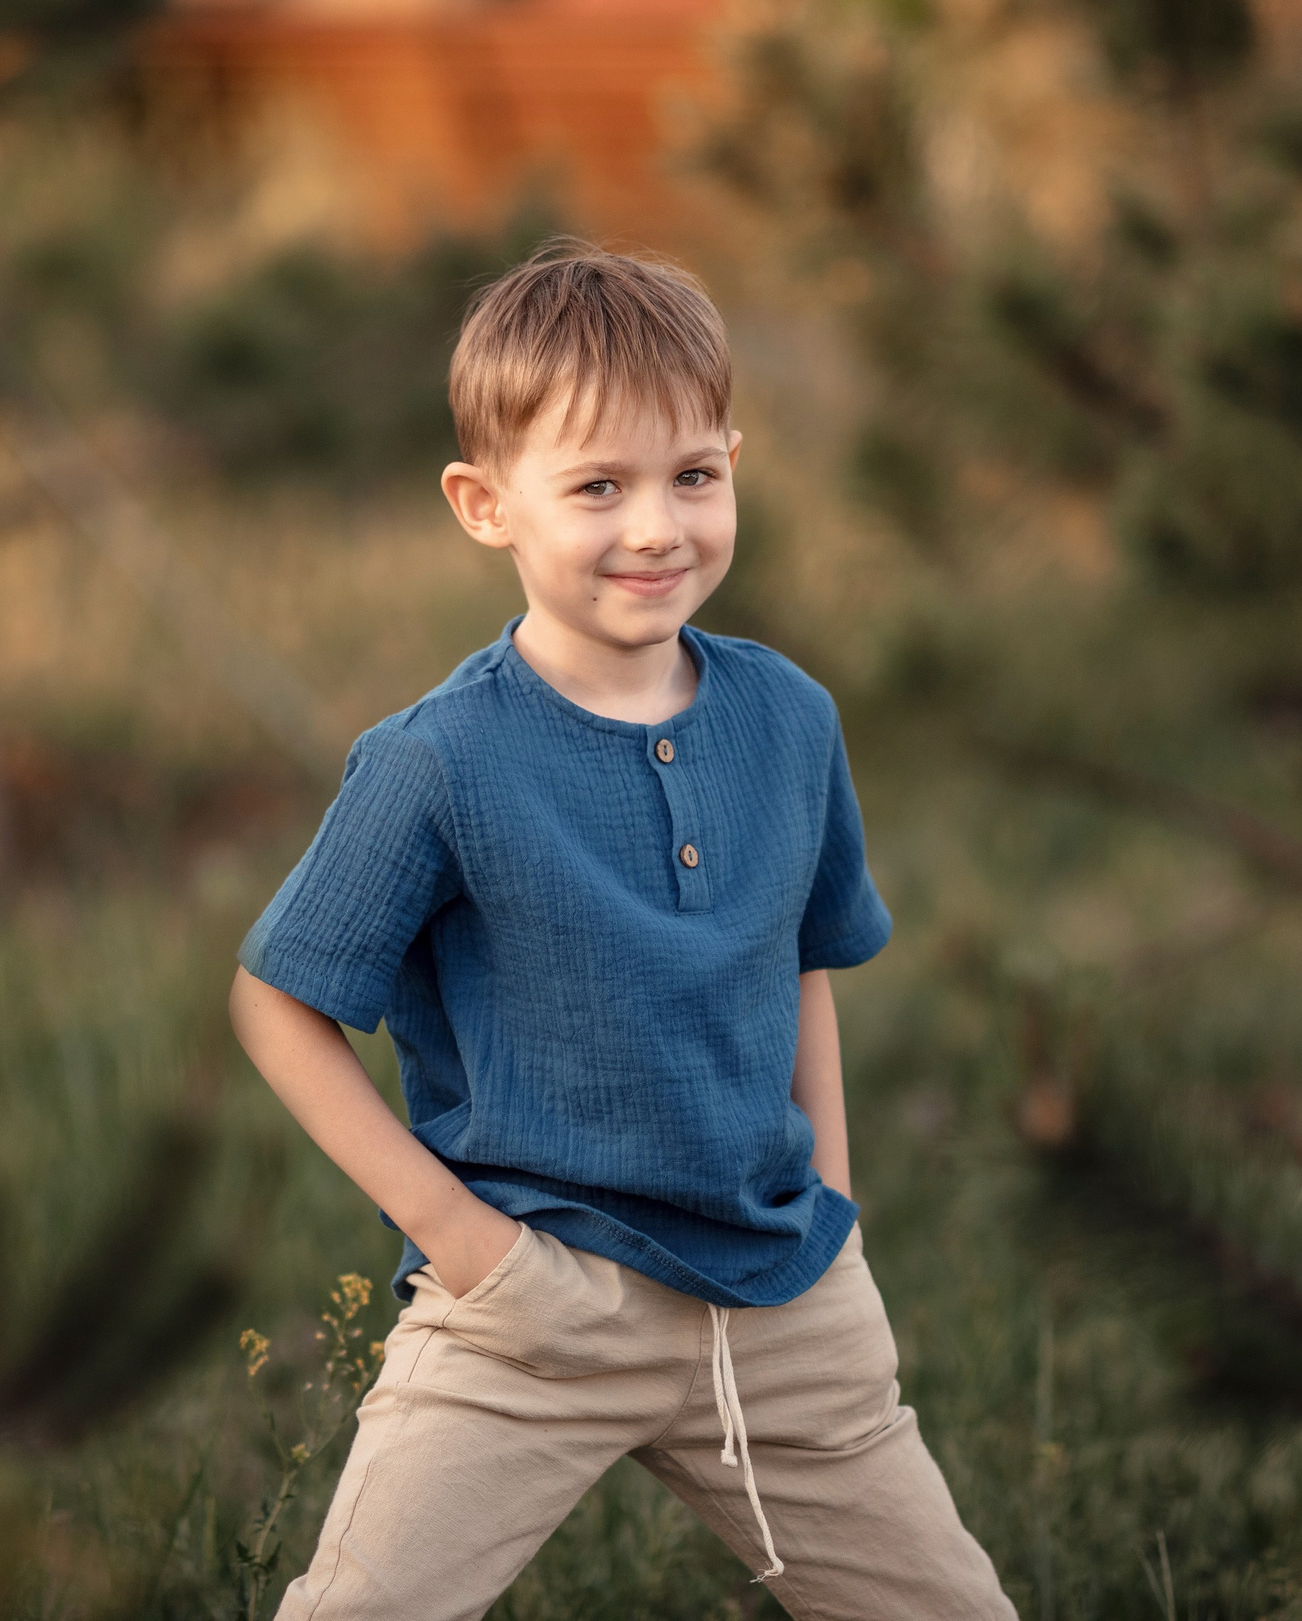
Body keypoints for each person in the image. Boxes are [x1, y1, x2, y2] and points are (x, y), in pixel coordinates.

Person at [228, 243, 1016, 1620]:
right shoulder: (440, 758)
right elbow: (275, 1001)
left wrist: (835, 1209)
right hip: (535, 1302)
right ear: (487, 505)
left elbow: (803, 966)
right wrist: (461, 1240)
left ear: (732, 468)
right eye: (599, 485)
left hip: (783, 1296)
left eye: (693, 476)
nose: (657, 527)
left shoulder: (790, 720)